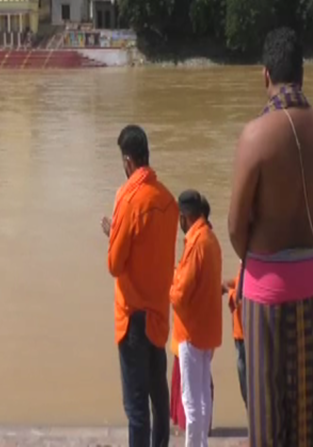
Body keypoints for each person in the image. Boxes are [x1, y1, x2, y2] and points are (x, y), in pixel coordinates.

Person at [227, 27, 313, 447]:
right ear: (303, 75)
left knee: (267, 419)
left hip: (266, 294)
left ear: (265, 74)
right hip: (312, 287)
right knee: (306, 417)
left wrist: (258, 261)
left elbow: (237, 227)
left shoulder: (255, 135)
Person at [103, 125, 179, 447]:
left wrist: (113, 234)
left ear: (128, 161)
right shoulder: (168, 200)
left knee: (135, 405)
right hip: (158, 312)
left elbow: (115, 264)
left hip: (133, 314)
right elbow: (153, 250)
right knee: (157, 395)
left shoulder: (128, 199)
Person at [170, 191, 222, 447]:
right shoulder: (211, 239)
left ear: (185, 217)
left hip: (190, 331)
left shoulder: (196, 243)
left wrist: (170, 283)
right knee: (202, 398)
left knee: (191, 400)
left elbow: (180, 294)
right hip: (207, 329)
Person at [222, 265, 247, 408]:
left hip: (245, 337)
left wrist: (226, 289)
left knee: (248, 388)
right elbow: (240, 282)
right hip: (240, 333)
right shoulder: (245, 260)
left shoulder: (249, 259)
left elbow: (240, 298)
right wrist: (229, 283)